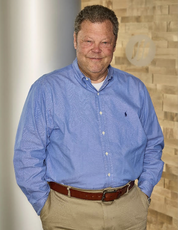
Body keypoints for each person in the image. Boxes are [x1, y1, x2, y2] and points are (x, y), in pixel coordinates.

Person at [14, 5, 164, 230]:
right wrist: (46, 207)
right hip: (68, 213)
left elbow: (153, 144)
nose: (96, 50)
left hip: (129, 211)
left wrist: (143, 195)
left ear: (114, 44)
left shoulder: (136, 90)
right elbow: (27, 155)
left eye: (104, 42)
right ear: (75, 40)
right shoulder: (46, 89)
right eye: (88, 41)